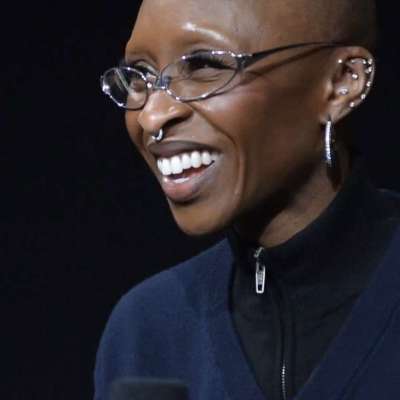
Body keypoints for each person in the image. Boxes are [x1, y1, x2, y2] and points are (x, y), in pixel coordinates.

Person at [95, 0, 400, 399]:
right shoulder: (148, 330)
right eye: (141, 75)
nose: (152, 116)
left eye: (204, 65)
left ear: (342, 81)